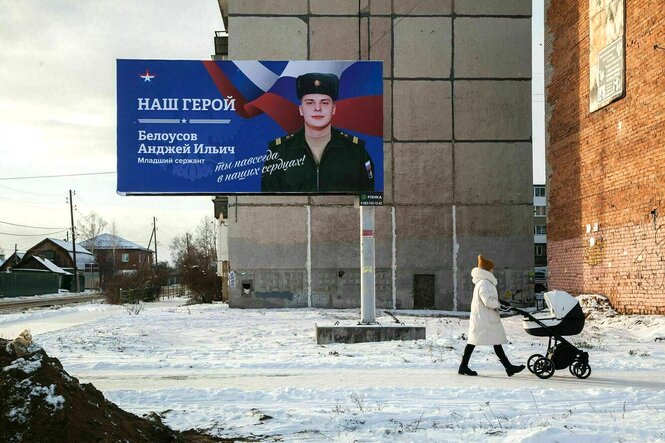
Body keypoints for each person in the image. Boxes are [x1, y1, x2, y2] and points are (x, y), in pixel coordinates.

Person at [261, 72, 375, 193]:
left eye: (324, 102)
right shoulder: (278, 153)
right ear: (301, 110)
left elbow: (366, 202)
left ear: (333, 109)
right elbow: (269, 204)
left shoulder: (357, 152)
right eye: (310, 102)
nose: (317, 108)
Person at [458, 254, 525, 377]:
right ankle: (464, 366)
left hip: (483, 317)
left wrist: (500, 302)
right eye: (491, 268)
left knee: (486, 341)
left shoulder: (483, 282)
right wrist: (499, 305)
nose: (493, 270)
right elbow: (488, 300)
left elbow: (489, 299)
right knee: (478, 341)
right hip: (485, 318)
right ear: (487, 270)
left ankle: (507, 367)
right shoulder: (484, 283)